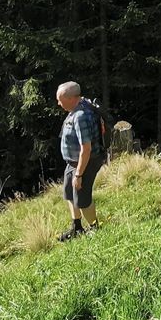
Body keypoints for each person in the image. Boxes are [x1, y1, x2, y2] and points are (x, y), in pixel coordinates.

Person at [55, 80, 104, 241]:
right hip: (73, 162)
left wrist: (79, 175)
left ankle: (95, 229)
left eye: (60, 100)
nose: (58, 103)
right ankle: (77, 227)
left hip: (86, 162)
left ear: (71, 98)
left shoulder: (81, 116)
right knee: (69, 193)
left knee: (82, 198)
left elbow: (86, 149)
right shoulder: (74, 109)